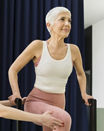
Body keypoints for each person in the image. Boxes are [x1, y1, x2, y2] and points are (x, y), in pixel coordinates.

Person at [8, 7, 93, 131]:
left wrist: (84, 93)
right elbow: (13, 70)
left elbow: (80, 74)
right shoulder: (38, 46)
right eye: (62, 19)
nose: (67, 24)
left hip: (60, 101)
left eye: (69, 21)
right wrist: (16, 93)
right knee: (64, 119)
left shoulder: (74, 50)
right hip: (36, 101)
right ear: (50, 25)